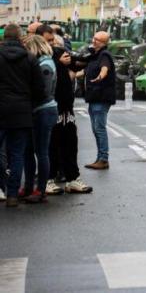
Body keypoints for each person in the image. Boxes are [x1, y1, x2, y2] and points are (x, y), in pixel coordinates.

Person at [0, 24, 46, 208]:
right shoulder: (30, 58)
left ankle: (3, 184)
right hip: (22, 112)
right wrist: (28, 103)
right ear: (20, 37)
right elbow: (40, 89)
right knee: (17, 154)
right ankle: (12, 195)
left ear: (4, 38)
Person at [49, 35, 92, 193]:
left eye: (56, 43)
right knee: (51, 145)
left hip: (67, 107)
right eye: (50, 41)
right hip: (51, 106)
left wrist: (93, 53)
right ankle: (48, 178)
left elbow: (79, 63)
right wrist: (59, 62)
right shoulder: (42, 57)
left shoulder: (61, 54)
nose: (54, 45)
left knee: (70, 142)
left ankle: (72, 178)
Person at [23, 35, 59, 204]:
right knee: (29, 150)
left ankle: (41, 189)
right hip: (40, 110)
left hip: (43, 110)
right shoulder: (43, 62)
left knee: (41, 151)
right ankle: (30, 186)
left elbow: (42, 91)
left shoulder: (45, 65)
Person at [84, 31, 116, 170]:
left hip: (101, 97)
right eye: (94, 38)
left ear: (104, 43)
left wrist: (101, 76)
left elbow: (105, 68)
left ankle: (103, 159)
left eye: (98, 40)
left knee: (99, 128)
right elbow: (85, 70)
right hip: (93, 97)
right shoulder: (94, 56)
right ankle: (100, 158)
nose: (94, 41)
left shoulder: (104, 55)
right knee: (95, 129)